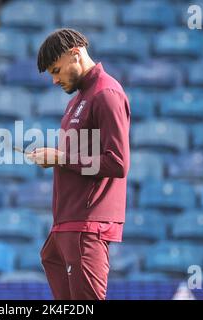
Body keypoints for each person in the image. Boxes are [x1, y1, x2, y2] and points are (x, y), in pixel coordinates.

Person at [27, 28, 131, 300]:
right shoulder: (77, 101)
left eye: (56, 70)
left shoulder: (106, 93)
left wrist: (60, 157)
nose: (54, 80)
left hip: (87, 226)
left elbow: (117, 163)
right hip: (65, 227)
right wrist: (54, 157)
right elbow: (76, 160)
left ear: (75, 54)